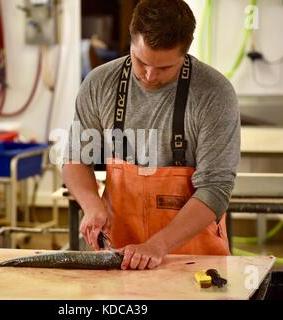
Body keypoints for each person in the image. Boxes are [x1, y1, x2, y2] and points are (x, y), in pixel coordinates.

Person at [62, 0, 240, 270]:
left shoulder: (214, 93)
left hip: (193, 258)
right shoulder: (99, 84)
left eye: (165, 68)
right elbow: (75, 160)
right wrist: (92, 204)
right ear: (131, 41)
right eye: (141, 61)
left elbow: (215, 189)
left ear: (186, 49)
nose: (149, 75)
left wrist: (158, 245)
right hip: (119, 253)